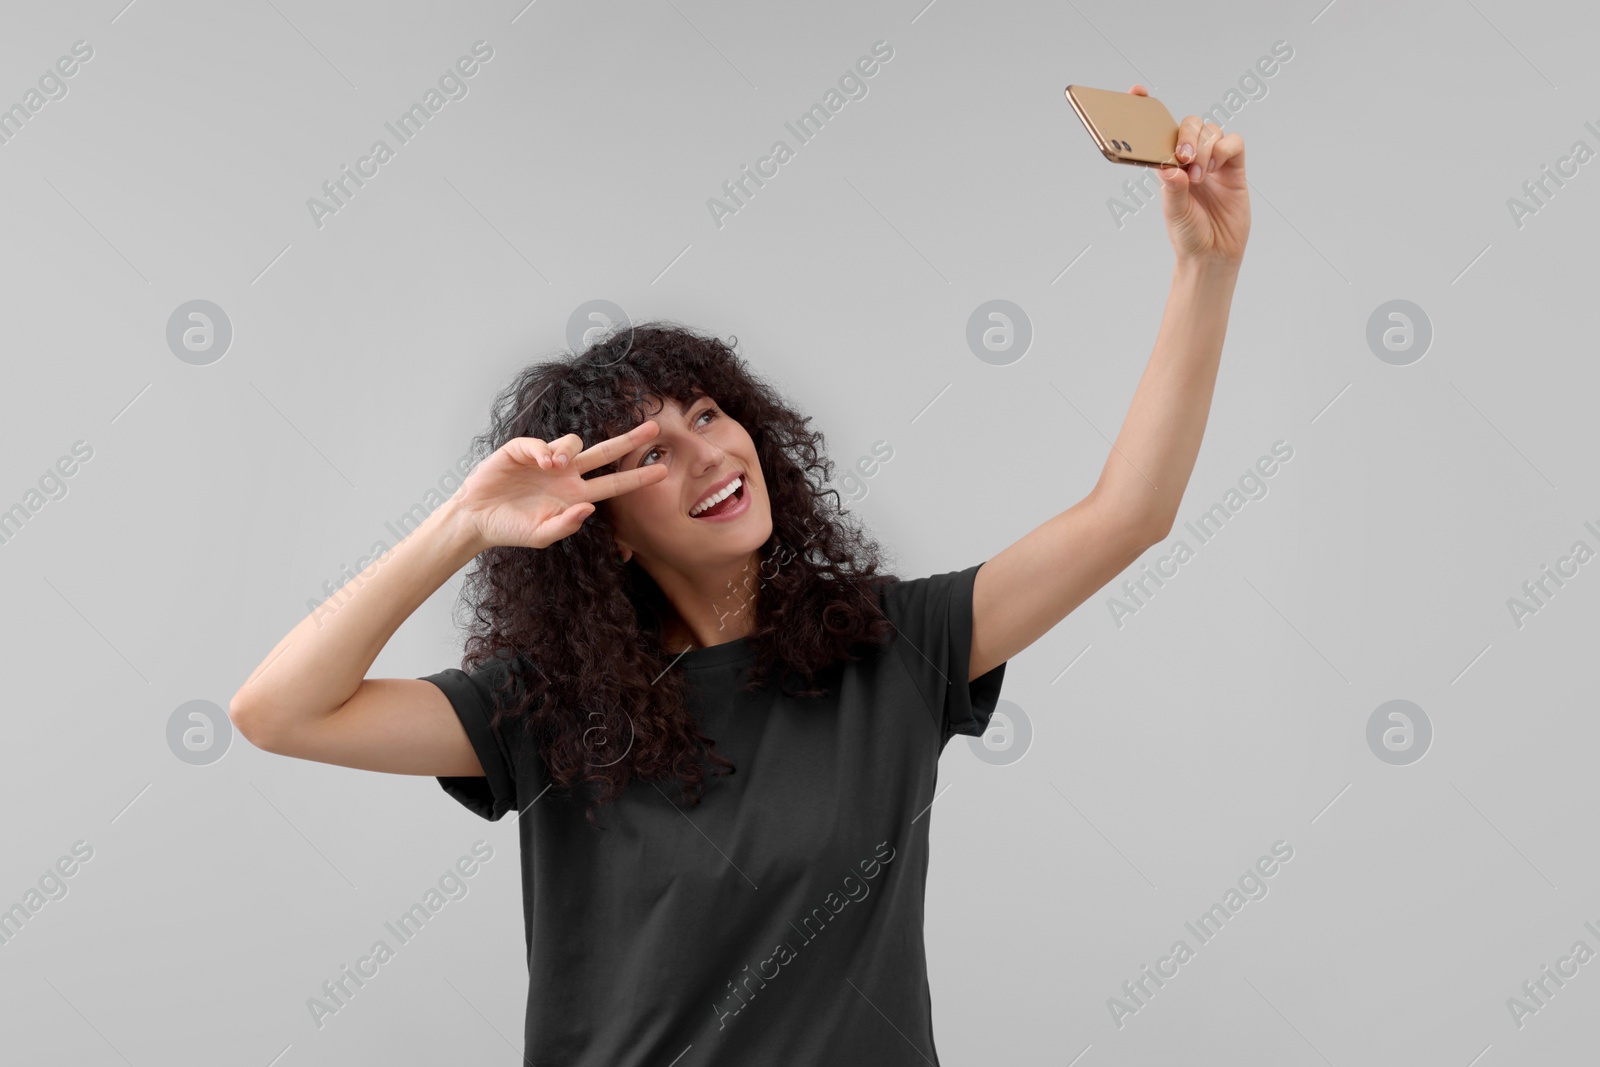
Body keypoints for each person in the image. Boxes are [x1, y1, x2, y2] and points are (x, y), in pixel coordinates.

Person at [229, 86, 1249, 1066]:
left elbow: (1129, 515)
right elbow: (278, 711)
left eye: (709, 415)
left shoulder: (895, 648)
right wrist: (463, 525)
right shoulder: (545, 711)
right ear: (602, 522)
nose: (711, 455)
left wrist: (1204, 266)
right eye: (654, 450)